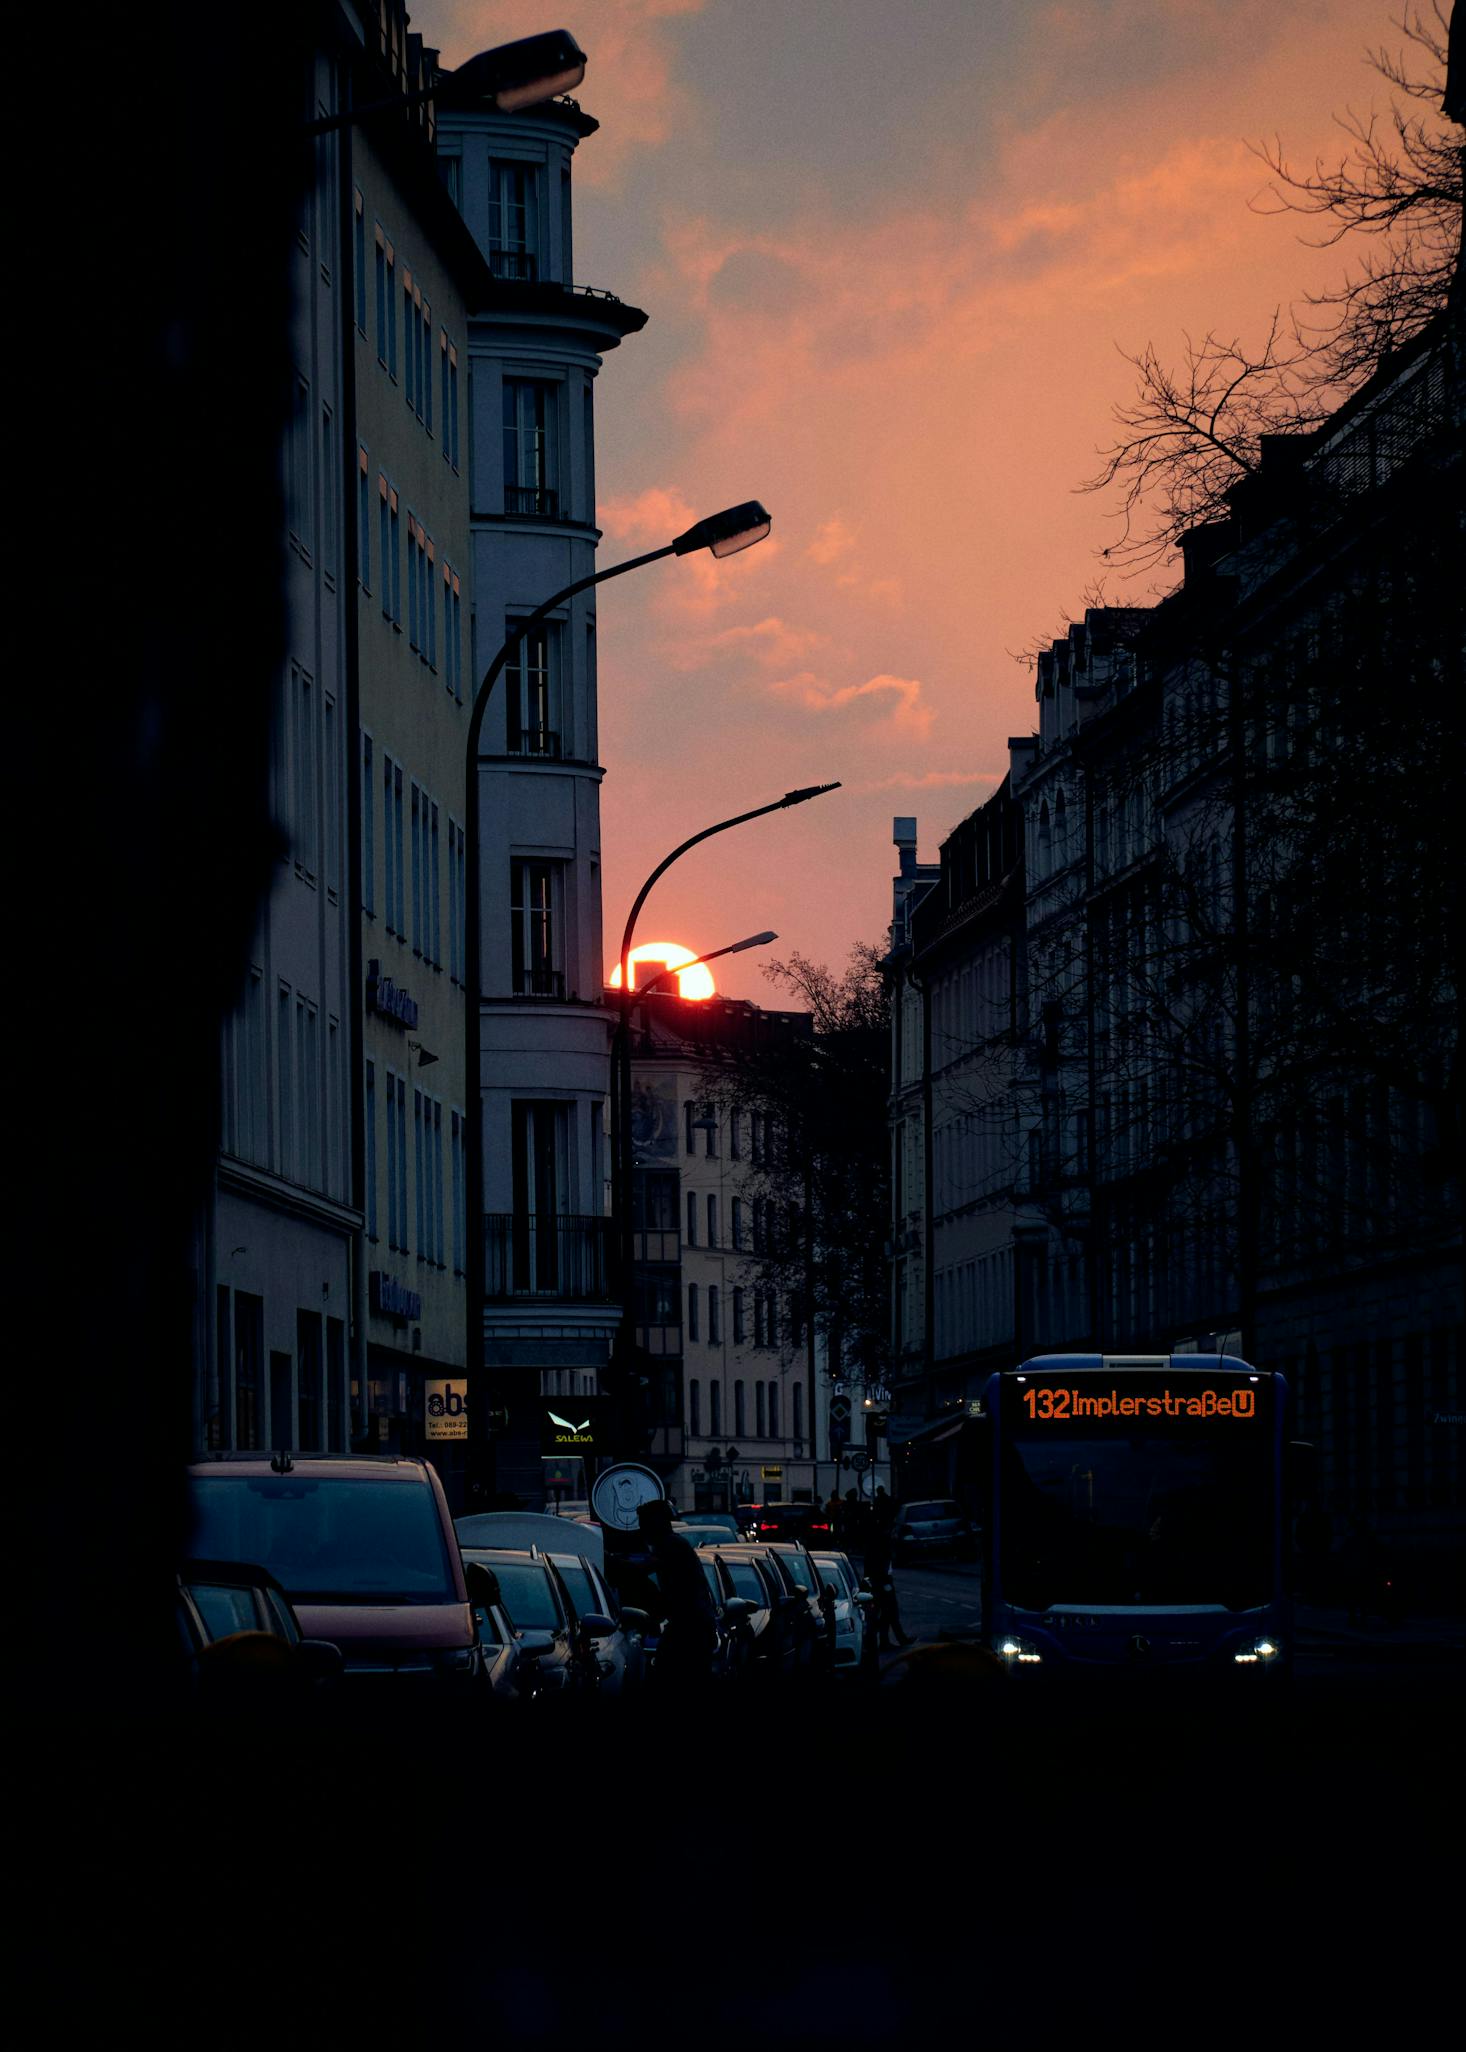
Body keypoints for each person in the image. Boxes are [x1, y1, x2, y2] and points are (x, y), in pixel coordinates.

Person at [636, 1498, 717, 1689]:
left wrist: (612, 1564)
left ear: (655, 1523)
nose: (641, 1531)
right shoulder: (673, 1545)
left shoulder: (671, 1546)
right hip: (691, 1625)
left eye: (644, 1524)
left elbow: (643, 1569)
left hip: (691, 1627)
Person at [863, 1522, 912, 1652]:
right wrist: (885, 1583)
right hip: (882, 1584)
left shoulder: (875, 1545)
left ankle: (887, 1640)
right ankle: (888, 1640)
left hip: (878, 1583)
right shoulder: (881, 1546)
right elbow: (880, 1567)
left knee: (885, 1613)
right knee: (888, 1612)